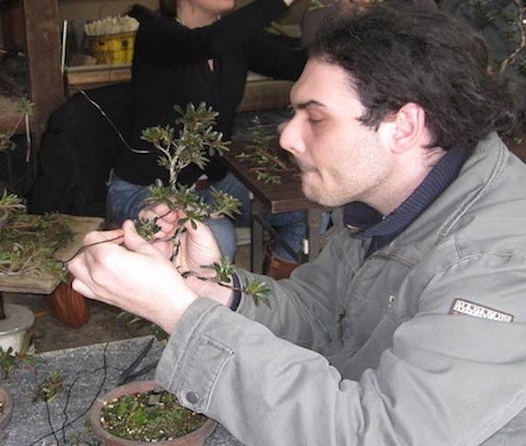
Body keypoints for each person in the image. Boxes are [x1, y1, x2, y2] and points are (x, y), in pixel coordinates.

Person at [68, 4, 526, 444]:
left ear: (403, 127)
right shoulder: (393, 203)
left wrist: (179, 313)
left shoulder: (498, 266)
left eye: (316, 117)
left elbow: (376, 435)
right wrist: (206, 289)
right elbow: (316, 311)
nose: (287, 135)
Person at [107, 0, 308, 276]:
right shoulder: (157, 33)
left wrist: (351, 21)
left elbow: (298, 64)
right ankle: (184, 309)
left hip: (211, 184)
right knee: (217, 238)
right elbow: (204, 43)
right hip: (148, 188)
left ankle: (276, 301)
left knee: (300, 214)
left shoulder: (237, 38)